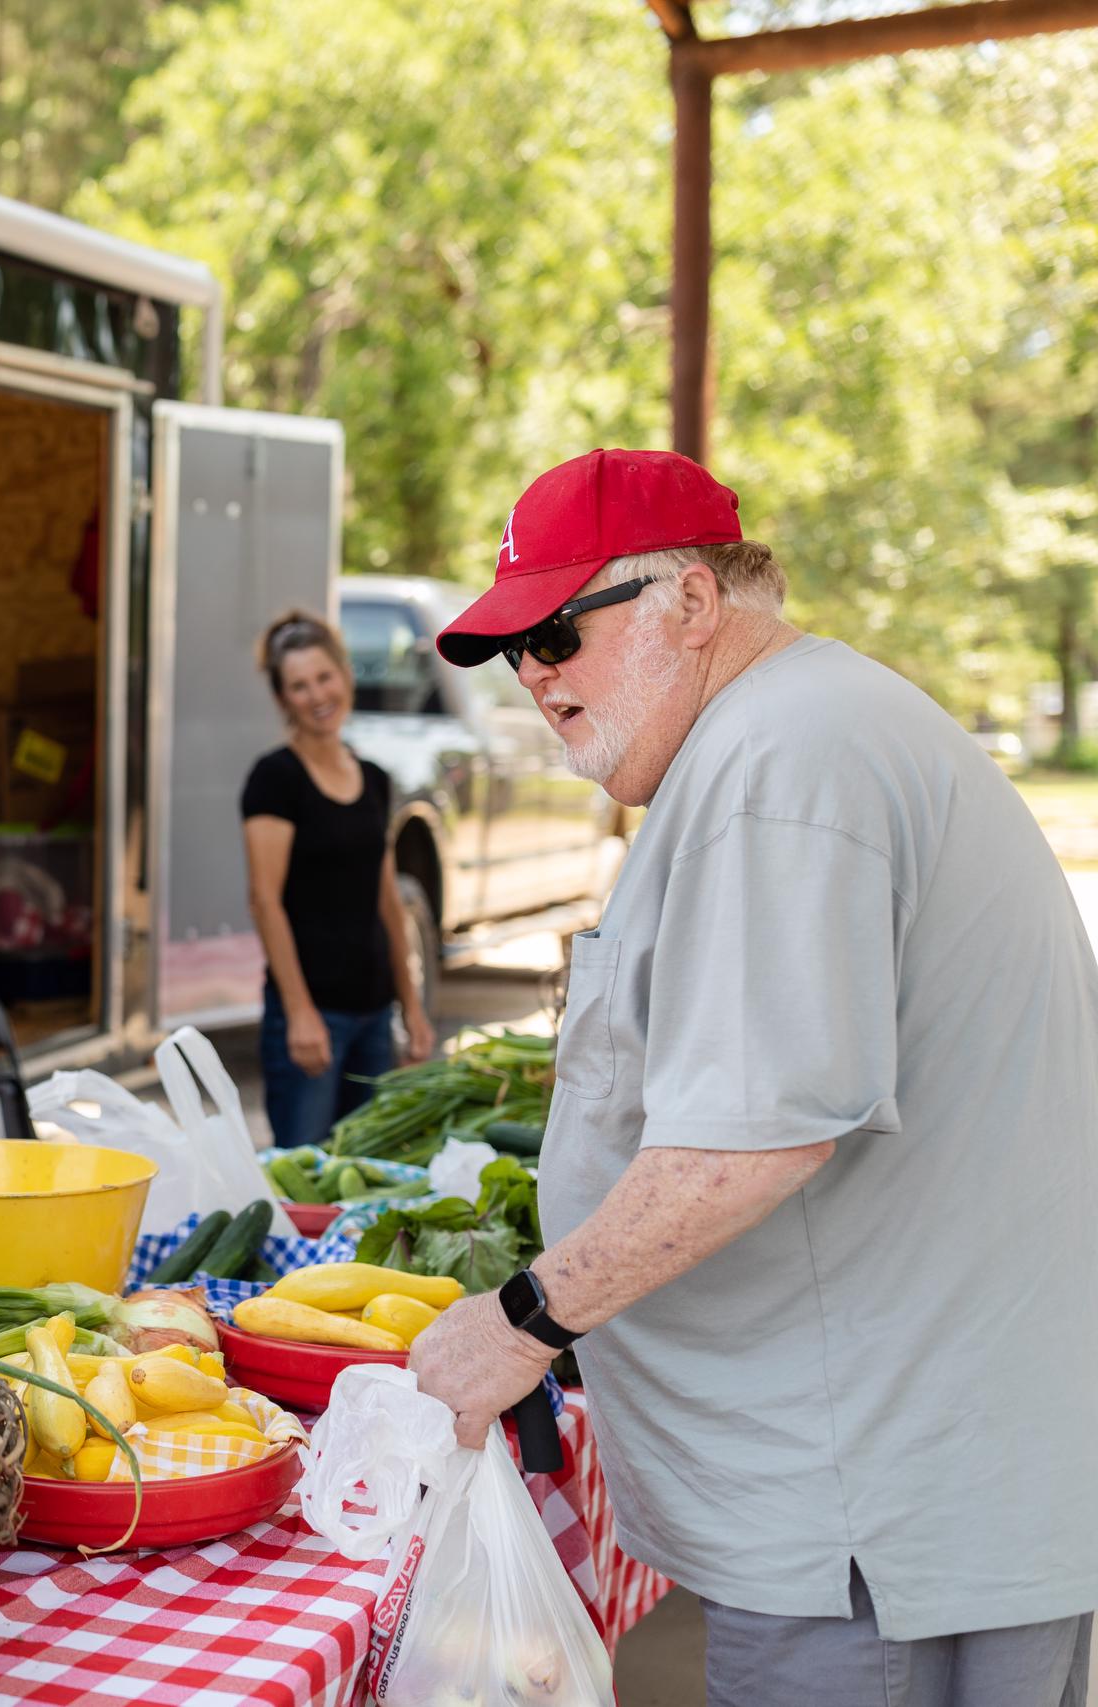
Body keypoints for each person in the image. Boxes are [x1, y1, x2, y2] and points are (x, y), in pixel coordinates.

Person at [410, 448, 1098, 1706]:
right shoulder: (799, 729)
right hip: (899, 1492)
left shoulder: (779, 763)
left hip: (866, 1521)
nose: (535, 678)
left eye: (559, 631)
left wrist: (525, 1321)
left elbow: (752, 1140)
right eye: (515, 649)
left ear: (688, 602)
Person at [240, 610, 434, 1149]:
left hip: (374, 1012)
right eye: (298, 686)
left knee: (362, 1170)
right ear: (283, 699)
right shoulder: (275, 779)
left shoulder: (374, 778)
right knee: (304, 1174)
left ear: (345, 676)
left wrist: (411, 1004)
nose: (316, 694)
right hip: (313, 1015)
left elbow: (388, 900)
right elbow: (264, 901)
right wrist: (300, 1012)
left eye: (324, 677)